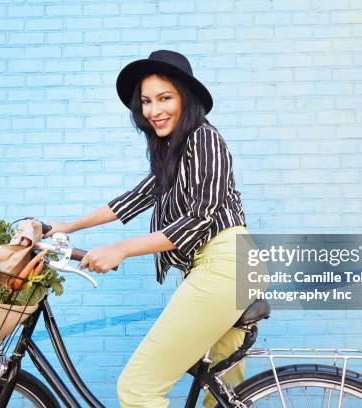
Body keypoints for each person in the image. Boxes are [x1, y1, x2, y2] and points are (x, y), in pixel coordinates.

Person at [45, 50, 249, 408]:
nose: (154, 111)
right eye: (146, 102)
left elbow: (200, 218)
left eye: (165, 98)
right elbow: (132, 199)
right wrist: (69, 225)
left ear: (187, 99)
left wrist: (121, 248)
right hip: (222, 270)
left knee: (138, 389)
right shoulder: (175, 153)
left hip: (225, 267)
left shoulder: (204, 139)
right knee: (222, 398)